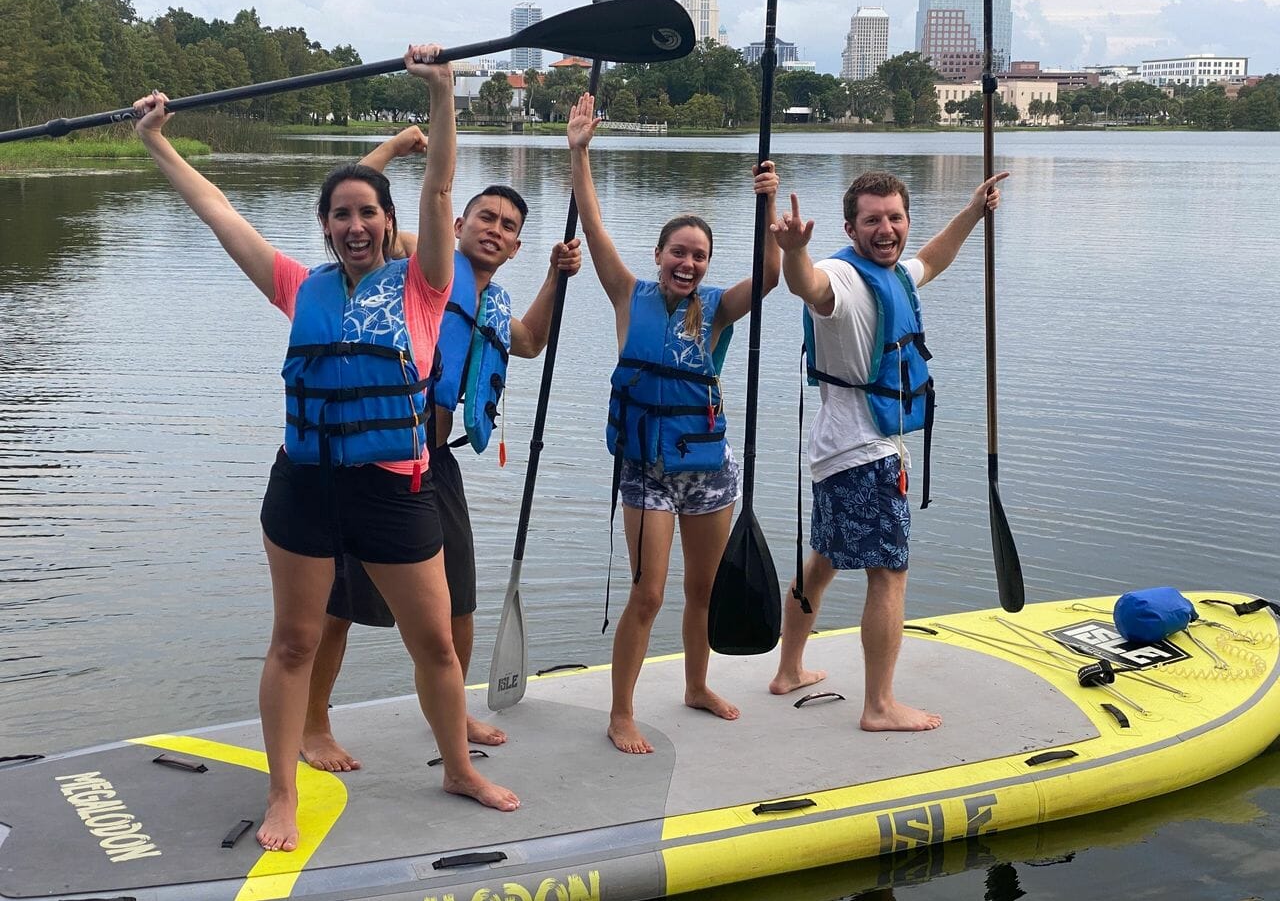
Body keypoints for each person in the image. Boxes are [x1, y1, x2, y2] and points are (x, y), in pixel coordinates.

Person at [133, 42, 520, 853]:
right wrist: (156, 142)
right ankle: (283, 793)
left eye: (367, 212)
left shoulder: (426, 286)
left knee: (435, 644)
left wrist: (442, 93)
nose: (355, 225)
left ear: (389, 223)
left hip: (392, 491)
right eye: (340, 214)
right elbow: (218, 211)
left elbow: (441, 184)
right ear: (326, 226)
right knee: (295, 642)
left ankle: (458, 767)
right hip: (304, 490)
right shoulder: (296, 286)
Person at [301, 128, 583, 772]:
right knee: (339, 605)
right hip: (370, 457)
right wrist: (391, 150)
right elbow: (354, 210)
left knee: (459, 596)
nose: (494, 229)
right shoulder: (417, 266)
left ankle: (454, 712)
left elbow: (531, 342)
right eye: (485, 217)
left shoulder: (494, 300)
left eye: (508, 226)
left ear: (514, 246)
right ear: (457, 224)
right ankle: (314, 723)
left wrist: (555, 276)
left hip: (434, 462)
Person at [566, 92, 781, 755]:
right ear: (659, 254)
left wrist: (768, 204)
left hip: (708, 472)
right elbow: (594, 228)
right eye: (678, 253)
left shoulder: (716, 310)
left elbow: (769, 278)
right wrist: (579, 153)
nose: (688, 264)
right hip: (646, 470)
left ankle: (696, 686)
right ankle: (621, 712)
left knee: (703, 590)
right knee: (649, 593)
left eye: (699, 256)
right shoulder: (627, 294)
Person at [766, 169, 1009, 732]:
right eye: (872, 219)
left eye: (895, 218)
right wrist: (794, 252)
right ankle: (879, 706)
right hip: (865, 454)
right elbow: (808, 286)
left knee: (822, 562)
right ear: (850, 228)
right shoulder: (840, 278)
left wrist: (972, 211)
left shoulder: (894, 274)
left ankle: (789, 670)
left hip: (835, 451)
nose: (886, 229)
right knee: (889, 574)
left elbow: (932, 260)